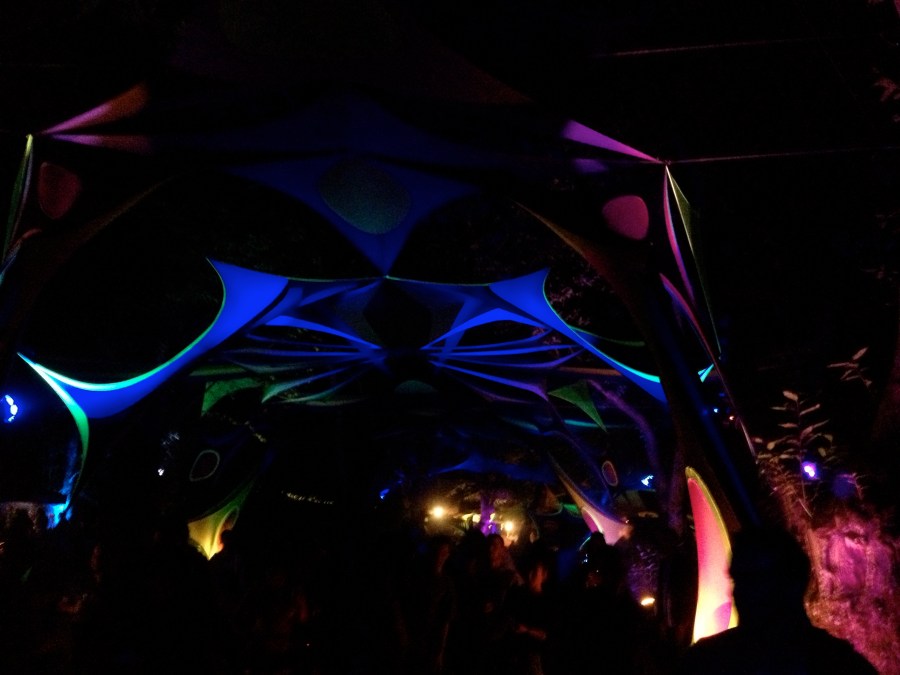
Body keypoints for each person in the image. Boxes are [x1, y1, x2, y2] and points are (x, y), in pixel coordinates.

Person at [677, 525, 877, 674]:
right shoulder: (704, 661)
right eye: (738, 579)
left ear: (793, 584)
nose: (741, 592)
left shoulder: (707, 661)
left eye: (756, 579)